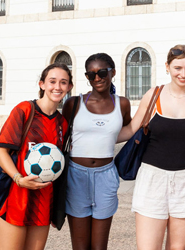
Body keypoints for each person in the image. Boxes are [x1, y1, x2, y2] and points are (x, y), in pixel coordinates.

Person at [117, 44, 185, 250]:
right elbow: (129, 130)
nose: (183, 73)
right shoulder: (153, 95)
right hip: (153, 179)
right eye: (177, 68)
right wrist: (91, 135)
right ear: (167, 67)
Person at [0, 63, 73, 250]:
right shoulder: (25, 110)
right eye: (52, 81)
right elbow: (0, 151)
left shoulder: (62, 123)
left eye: (63, 82)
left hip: (43, 203)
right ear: (42, 84)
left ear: (69, 87)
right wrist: (19, 179)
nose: (57, 87)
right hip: (16, 198)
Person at [61, 53, 132, 250]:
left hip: (106, 176)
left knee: (100, 247)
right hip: (76, 176)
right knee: (80, 247)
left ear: (113, 72)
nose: (97, 78)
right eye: (91, 75)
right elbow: (62, 137)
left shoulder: (122, 104)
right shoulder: (73, 104)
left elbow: (126, 130)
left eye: (101, 72)